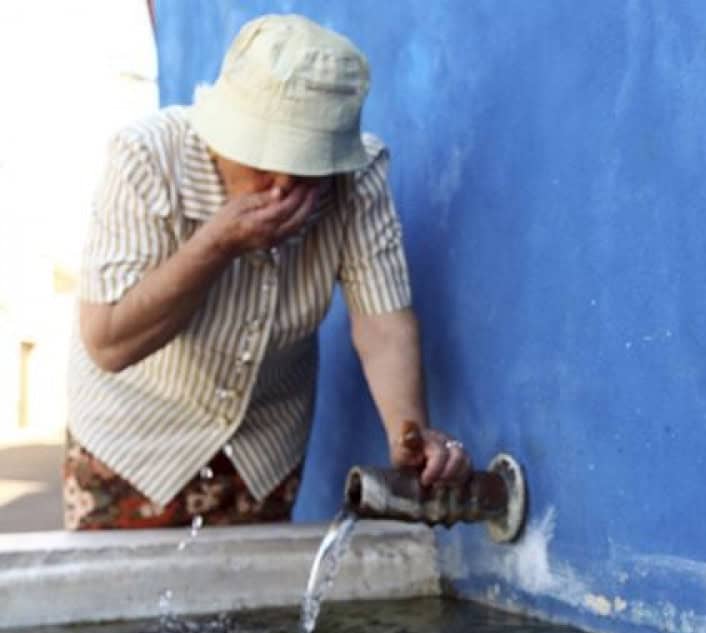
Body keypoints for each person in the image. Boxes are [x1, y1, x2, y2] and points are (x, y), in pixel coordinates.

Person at [64, 14, 469, 530]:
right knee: (124, 602)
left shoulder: (358, 177)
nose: (281, 187)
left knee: (247, 599)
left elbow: (383, 324)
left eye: (305, 168)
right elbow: (108, 343)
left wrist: (409, 435)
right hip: (131, 438)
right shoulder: (145, 159)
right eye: (261, 161)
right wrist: (216, 244)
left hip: (265, 445)